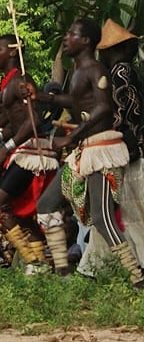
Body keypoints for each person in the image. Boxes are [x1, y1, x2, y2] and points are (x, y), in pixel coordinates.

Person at [32, 19, 143, 286]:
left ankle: (137, 279)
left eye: (72, 34)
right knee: (46, 205)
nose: (66, 38)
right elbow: (78, 101)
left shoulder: (96, 69)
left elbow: (103, 109)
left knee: (102, 218)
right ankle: (63, 273)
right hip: (87, 150)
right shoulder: (80, 71)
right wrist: (42, 97)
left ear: (86, 42)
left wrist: (72, 136)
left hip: (102, 149)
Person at [0, 35, 54, 272]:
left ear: (13, 53)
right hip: (24, 149)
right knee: (19, 214)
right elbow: (15, 121)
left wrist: (6, 147)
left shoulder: (21, 81)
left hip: (30, 152)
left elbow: (33, 119)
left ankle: (33, 262)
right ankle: (39, 264)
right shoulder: (8, 82)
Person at [96, 20, 144, 260]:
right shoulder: (125, 70)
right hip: (132, 148)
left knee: (134, 210)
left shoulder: (121, 71)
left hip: (135, 150)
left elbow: (131, 112)